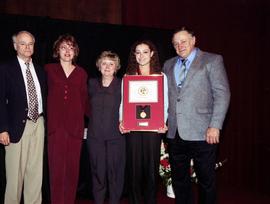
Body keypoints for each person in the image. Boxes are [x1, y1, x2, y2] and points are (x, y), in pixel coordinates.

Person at [163, 27, 231, 204]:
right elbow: (163, 97)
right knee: (179, 181)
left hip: (204, 132)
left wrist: (215, 125)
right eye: (175, 43)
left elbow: (222, 94)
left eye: (183, 41)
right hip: (175, 133)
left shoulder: (212, 60)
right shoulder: (168, 64)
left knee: (206, 181)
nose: (180, 45)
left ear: (194, 40)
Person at [0, 31, 47, 204]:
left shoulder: (41, 71)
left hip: (38, 123)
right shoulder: (5, 69)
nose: (27, 47)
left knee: (35, 173)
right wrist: (2, 129)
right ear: (15, 46)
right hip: (15, 127)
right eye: (23, 43)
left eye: (30, 44)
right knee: (14, 176)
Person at [119, 40, 168, 204]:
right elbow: (123, 103)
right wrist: (122, 121)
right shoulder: (128, 77)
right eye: (137, 52)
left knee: (151, 171)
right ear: (134, 55)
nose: (141, 56)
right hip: (132, 128)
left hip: (154, 129)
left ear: (152, 54)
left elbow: (165, 102)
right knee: (134, 170)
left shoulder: (161, 76)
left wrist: (163, 122)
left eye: (145, 52)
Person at [45, 34, 88, 204]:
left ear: (75, 51)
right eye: (63, 47)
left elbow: (85, 101)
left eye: (71, 47)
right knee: (56, 171)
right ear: (57, 50)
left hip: (75, 129)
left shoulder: (81, 73)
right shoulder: (48, 69)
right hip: (55, 128)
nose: (67, 51)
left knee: (72, 171)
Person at [87, 51, 125, 204]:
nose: (107, 67)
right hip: (95, 137)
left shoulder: (123, 84)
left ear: (116, 67)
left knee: (115, 175)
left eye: (111, 64)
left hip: (116, 137)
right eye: (104, 63)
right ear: (99, 66)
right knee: (98, 174)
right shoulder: (91, 83)